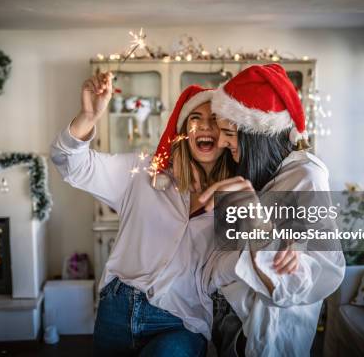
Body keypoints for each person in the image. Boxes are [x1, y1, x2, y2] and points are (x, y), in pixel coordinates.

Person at [50, 71, 233, 356]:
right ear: (183, 130)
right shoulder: (143, 173)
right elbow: (71, 164)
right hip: (116, 311)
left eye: (215, 120)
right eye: (195, 118)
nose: (205, 126)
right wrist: (88, 116)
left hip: (181, 321)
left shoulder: (238, 197)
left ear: (227, 134)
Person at [199, 64, 346, 357]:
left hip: (262, 331)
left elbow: (318, 271)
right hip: (224, 314)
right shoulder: (251, 171)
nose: (223, 142)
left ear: (260, 135)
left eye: (230, 132)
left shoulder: (308, 176)